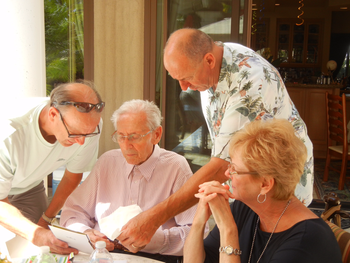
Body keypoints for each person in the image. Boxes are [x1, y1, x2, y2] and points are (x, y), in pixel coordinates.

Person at [117, 28, 314, 250]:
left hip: (277, 188)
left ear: (209, 60)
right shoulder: (215, 59)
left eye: (187, 77)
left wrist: (154, 219)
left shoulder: (249, 84)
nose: (183, 88)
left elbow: (221, 168)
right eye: (177, 79)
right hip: (246, 185)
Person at [60, 99, 205, 263]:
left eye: (134, 137)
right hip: (103, 256)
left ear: (156, 135)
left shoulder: (175, 167)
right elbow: (72, 212)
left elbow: (198, 232)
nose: (126, 145)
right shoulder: (107, 162)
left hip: (154, 257)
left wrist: (153, 238)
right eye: (121, 136)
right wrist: (86, 233)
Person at [184, 119, 341, 263]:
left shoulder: (307, 241)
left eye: (234, 170)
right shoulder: (244, 209)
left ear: (265, 184)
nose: (227, 174)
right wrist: (199, 220)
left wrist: (228, 230)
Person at [0, 80, 104, 254]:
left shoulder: (88, 126)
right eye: (75, 133)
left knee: (35, 251)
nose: (82, 141)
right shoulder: (7, 134)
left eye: (88, 133)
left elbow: (72, 176)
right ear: (53, 114)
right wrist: (36, 233)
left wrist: (46, 220)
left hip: (29, 186)